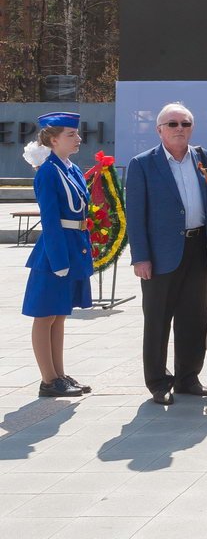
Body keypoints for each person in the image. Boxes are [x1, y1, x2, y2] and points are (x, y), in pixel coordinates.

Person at [126, 103, 207, 405]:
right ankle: (158, 381)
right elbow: (136, 214)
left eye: (185, 123)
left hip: (197, 249)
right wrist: (140, 256)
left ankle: (188, 377)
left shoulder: (203, 158)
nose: (179, 128)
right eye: (172, 124)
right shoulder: (142, 163)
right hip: (159, 255)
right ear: (159, 130)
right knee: (157, 320)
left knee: (193, 319)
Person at [21, 112, 94, 398]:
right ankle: (49, 380)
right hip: (55, 251)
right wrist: (60, 259)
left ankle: (59, 374)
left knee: (59, 314)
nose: (78, 139)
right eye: (71, 135)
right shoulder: (48, 171)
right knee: (45, 315)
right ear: (53, 140)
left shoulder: (70, 167)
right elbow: (50, 219)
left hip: (73, 245)